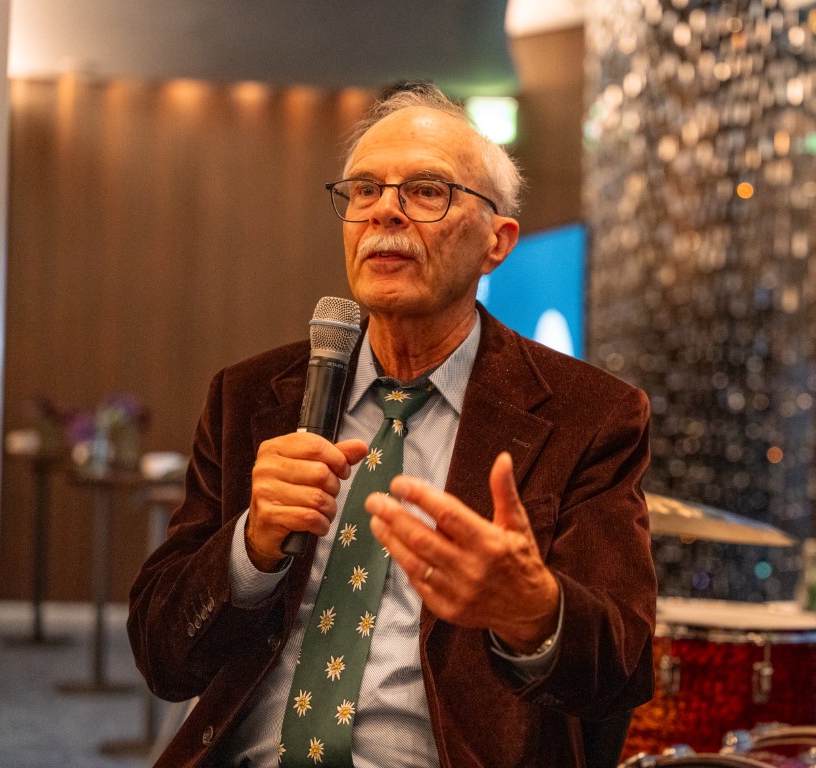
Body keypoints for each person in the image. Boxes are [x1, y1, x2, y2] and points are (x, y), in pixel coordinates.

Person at [127, 82, 656, 768]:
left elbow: (621, 669)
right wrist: (248, 548)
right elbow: (162, 656)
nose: (385, 211)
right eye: (365, 190)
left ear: (497, 242)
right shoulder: (251, 397)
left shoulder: (588, 415)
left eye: (427, 191)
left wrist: (533, 611)